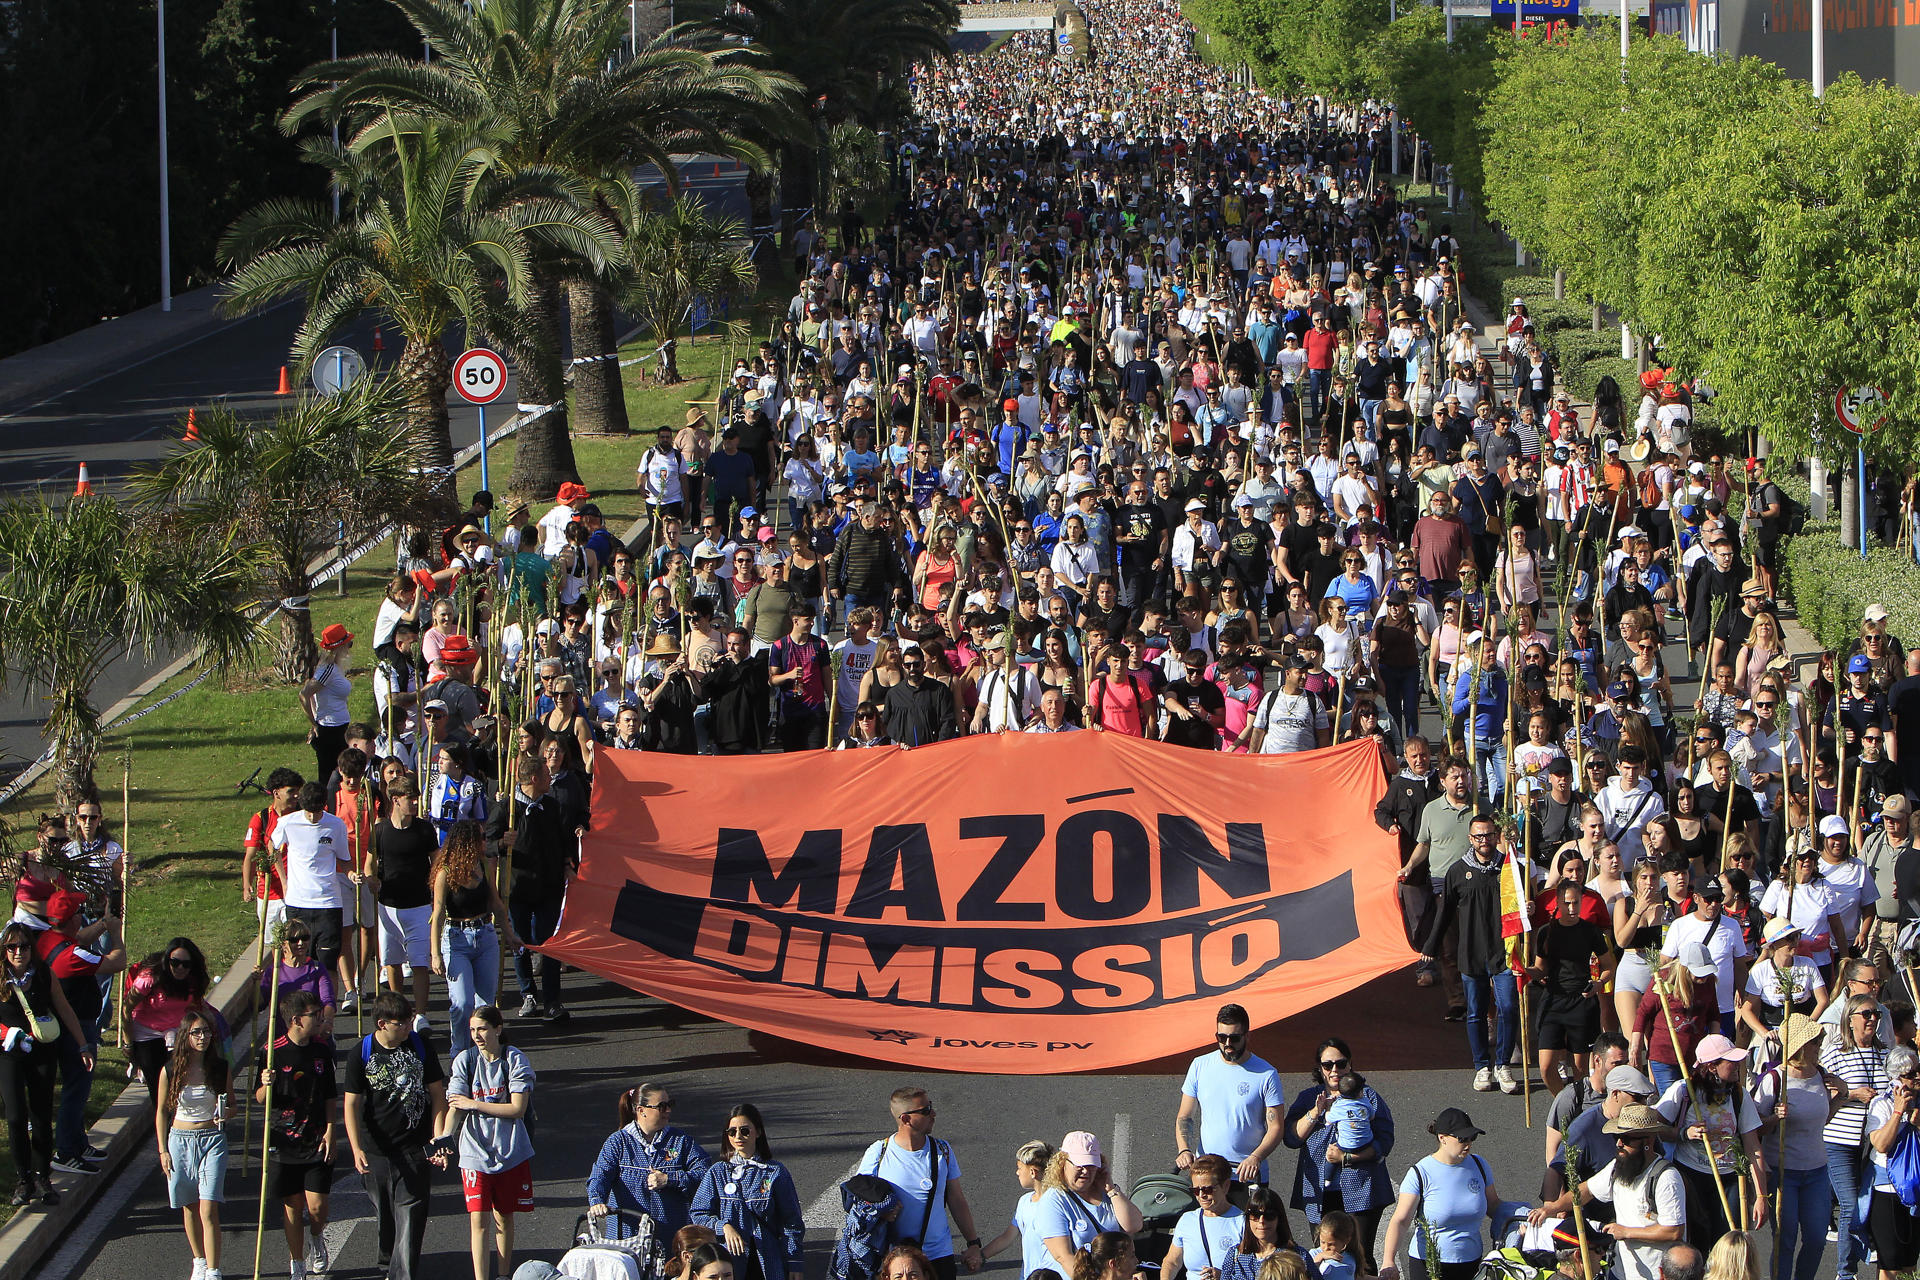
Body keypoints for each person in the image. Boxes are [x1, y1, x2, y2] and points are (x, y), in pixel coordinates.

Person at [343, 991, 449, 1280]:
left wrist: (438, 1138)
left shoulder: (420, 1046)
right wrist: (355, 1148)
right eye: (400, 1023)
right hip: (376, 1150)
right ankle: (387, 1261)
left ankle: (402, 1274)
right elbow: (351, 1104)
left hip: (414, 1148)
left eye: (409, 1020)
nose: (407, 1027)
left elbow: (438, 1094)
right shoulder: (360, 1054)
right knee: (387, 1215)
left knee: (411, 1216)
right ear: (382, 1024)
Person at [1528, 1103, 1686, 1280]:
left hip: (1656, 1274)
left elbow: (1673, 1231)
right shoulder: (1618, 1167)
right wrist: (1551, 1209)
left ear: (1647, 1141)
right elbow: (1585, 1190)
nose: (1619, 1143)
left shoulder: (1667, 1178)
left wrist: (1626, 1232)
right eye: (1617, 1137)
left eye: (1626, 1139)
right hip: (1621, 1272)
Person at [1424, 813, 1522, 1094]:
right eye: (1478, 836)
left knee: (1507, 1008)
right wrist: (1430, 947)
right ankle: (1482, 1066)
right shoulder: (1457, 871)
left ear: (1495, 836)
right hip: (1471, 952)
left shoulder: (1508, 867)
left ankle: (1502, 1064)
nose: (1484, 840)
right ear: (1470, 839)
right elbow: (1443, 914)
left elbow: (1521, 904)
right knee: (1476, 1013)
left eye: (1489, 835)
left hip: (1503, 951)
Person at [1282, 1036, 1395, 1272]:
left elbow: (1385, 1139)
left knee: (1361, 1258)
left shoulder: (1367, 1096)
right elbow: (1291, 1138)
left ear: (1350, 1065)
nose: (1335, 1070)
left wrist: (1347, 1158)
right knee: (1325, 1257)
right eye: (1328, 1065)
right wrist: (1316, 1111)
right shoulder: (1308, 1098)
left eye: (1341, 1064)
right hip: (1319, 1190)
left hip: (1362, 1188)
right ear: (1320, 1068)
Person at [442, 1005, 537, 1280]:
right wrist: (446, 1136)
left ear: (498, 1028)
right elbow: (455, 1107)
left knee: (504, 1216)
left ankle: (503, 1275)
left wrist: (475, 1103)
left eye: (482, 1029)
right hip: (474, 1151)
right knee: (478, 1219)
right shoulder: (465, 1060)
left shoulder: (515, 1059)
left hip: (510, 1150)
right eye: (472, 1030)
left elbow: (517, 1109)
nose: (476, 1035)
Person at [0, 918, 89, 1207]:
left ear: (31, 949)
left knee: (40, 1115)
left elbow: (64, 1009)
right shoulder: (0, 978)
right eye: (12, 947)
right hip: (9, 1053)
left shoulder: (43, 975)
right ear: (4, 950)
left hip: (41, 1052)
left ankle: (42, 1178)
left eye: (24, 946)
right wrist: (7, 1033)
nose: (18, 952)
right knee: (15, 1116)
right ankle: (23, 1179)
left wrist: (82, 1045)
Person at [856, 1087, 985, 1280]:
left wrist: (973, 1243)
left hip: (938, 1255)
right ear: (905, 1119)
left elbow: (956, 1199)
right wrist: (882, 1212)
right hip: (895, 1259)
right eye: (925, 1110)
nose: (933, 1114)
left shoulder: (942, 1150)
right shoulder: (879, 1152)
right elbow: (858, 1201)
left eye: (931, 1107)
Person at [1652, 1034, 1768, 1249]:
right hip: (1691, 1176)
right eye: (1730, 1061)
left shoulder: (1739, 1095)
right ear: (1712, 1066)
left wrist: (1761, 1195)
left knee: (1726, 1244)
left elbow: (1753, 1146)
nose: (1737, 1065)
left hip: (1729, 1179)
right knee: (1696, 1242)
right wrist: (1684, 1133)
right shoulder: (1684, 1090)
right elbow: (1654, 1128)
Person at [1376, 1108, 1515, 1280]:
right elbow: (1401, 1220)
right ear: (1442, 1138)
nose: (1468, 1143)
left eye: (1472, 1137)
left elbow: (1493, 1205)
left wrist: (1521, 1216)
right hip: (1429, 1264)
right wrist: (1388, 1261)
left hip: (1471, 1262)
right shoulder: (1421, 1173)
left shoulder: (1479, 1165)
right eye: (1462, 1138)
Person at [255, 990, 337, 1279]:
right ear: (295, 1020)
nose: (319, 1019)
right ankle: (297, 1261)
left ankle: (317, 1237)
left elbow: (330, 1094)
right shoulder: (272, 1052)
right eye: (314, 1015)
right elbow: (260, 1098)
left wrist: (331, 1130)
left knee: (317, 1206)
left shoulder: (322, 1051)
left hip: (315, 1138)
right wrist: (267, 1083)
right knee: (293, 1206)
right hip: (283, 1140)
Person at [1751, 1013, 1837, 1280]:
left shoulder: (1822, 1075)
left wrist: (1842, 1095)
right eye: (1814, 1043)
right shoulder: (1775, 1080)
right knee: (1785, 1239)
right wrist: (1775, 1117)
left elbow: (1823, 1117)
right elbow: (1755, 1128)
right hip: (1783, 1172)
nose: (1819, 1047)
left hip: (1817, 1170)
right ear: (1801, 1046)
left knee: (1816, 1237)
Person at [430, 820, 521, 1058]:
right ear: (467, 842)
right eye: (480, 838)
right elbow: (438, 913)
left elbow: (496, 903)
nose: (484, 842)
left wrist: (509, 934)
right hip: (456, 938)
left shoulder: (483, 865)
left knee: (485, 1004)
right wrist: (436, 953)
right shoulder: (445, 873)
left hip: (485, 936)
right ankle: (459, 1053)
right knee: (461, 1003)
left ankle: (484, 1054)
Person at [156, 1006, 235, 1280]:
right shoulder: (170, 1070)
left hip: (212, 1140)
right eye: (197, 1032)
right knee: (189, 1206)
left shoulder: (219, 1067)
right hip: (179, 1140)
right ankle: (199, 1259)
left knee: (208, 1207)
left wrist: (225, 1113)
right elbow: (162, 1111)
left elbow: (233, 1106)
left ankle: (214, 1270)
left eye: (207, 1032)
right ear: (185, 1036)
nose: (203, 1037)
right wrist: (163, 1149)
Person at [1820, 991, 1891, 1280]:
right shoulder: (1835, 1052)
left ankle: (1877, 1258)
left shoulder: (1884, 1052)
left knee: (1870, 1205)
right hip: (1840, 1139)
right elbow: (1821, 1093)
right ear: (1850, 1020)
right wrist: (1850, 1093)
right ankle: (1845, 1273)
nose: (1873, 1019)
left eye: (1877, 1014)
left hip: (1874, 1144)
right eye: (1866, 1014)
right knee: (1850, 1206)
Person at [691, 1103, 806, 1280]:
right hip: (730, 1263)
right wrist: (724, 1227)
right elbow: (698, 1213)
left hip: (768, 1259)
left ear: (758, 1132)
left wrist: (794, 1261)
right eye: (732, 1132)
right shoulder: (717, 1172)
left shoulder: (775, 1172)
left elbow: (792, 1222)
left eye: (745, 1131)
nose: (738, 1136)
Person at [1175, 1002, 1284, 1184]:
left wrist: (1255, 1158)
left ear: (1247, 1036)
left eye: (1234, 1038)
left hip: (1247, 1175)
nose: (1227, 1044)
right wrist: (1184, 1149)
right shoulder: (1199, 1066)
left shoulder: (1266, 1074)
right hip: (1208, 1174)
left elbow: (1276, 1127)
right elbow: (1185, 1116)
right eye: (1221, 1037)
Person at [588, 1080, 714, 1235]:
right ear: (641, 1110)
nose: (668, 1110)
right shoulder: (618, 1142)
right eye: (661, 1106)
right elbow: (600, 1175)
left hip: (670, 1236)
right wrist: (597, 1201)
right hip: (627, 1238)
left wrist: (670, 1179)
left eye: (670, 1104)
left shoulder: (681, 1141)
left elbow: (706, 1173)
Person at [271, 781, 353, 1010]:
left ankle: (327, 1015)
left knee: (327, 963)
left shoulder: (335, 825)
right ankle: (302, 1013)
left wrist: (353, 874)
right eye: (309, 812)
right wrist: (284, 881)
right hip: (298, 903)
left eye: (317, 812)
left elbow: (343, 859)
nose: (313, 817)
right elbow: (272, 848)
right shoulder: (288, 823)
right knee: (299, 961)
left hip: (328, 903)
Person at [370, 777, 437, 1022]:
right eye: (411, 798)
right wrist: (370, 879)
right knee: (392, 962)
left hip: (419, 906)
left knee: (420, 963)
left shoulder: (425, 829)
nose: (416, 802)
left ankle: (421, 1015)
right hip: (388, 907)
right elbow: (369, 865)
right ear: (395, 800)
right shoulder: (380, 831)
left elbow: (436, 861)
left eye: (416, 797)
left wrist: (435, 889)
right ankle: (398, 1009)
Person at [1036, 1130, 1145, 1272]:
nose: (1086, 1171)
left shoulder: (1107, 1193)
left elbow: (1134, 1226)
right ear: (1063, 1162)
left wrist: (1111, 1190)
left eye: (1091, 1165)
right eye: (1079, 1165)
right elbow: (1063, 1257)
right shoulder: (1053, 1201)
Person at [1864, 1044, 1920, 1274]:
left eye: (1918, 1070)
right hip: (1887, 1189)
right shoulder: (1882, 1104)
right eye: (1910, 1075)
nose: (1918, 1077)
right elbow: (1881, 1144)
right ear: (1896, 1079)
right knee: (1890, 1264)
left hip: (1915, 1190)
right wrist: (1898, 1113)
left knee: (1909, 1263)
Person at [978, 1139, 1054, 1277]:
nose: (1017, 1173)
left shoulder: (1058, 1204)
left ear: (1032, 1172)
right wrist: (981, 1256)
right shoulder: (1024, 1202)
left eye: (1020, 1168)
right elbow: (1007, 1237)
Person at [1162, 1154, 1246, 1280]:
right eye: (1196, 1190)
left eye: (1207, 1190)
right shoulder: (1187, 1220)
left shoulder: (1242, 1222)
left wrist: (1223, 1275)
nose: (1201, 1196)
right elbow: (1172, 1262)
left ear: (1226, 1186)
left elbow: (1253, 1269)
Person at [302, 623, 355, 784]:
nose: (349, 648)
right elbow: (304, 695)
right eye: (348, 644)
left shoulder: (334, 668)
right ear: (340, 647)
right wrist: (315, 723)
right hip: (330, 730)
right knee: (329, 778)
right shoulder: (327, 670)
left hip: (339, 727)